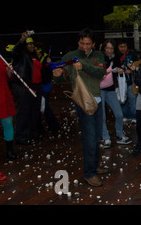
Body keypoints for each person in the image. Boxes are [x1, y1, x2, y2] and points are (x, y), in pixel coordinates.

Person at [52, 28, 107, 187]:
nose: (85, 47)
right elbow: (62, 74)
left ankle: (95, 165)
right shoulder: (70, 57)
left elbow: (101, 72)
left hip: (98, 101)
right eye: (82, 43)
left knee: (97, 137)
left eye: (88, 44)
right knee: (90, 138)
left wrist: (83, 66)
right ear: (78, 43)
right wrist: (57, 75)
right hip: (83, 102)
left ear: (94, 44)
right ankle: (89, 173)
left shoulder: (98, 55)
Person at [10, 31, 43, 145]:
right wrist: (21, 40)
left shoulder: (34, 56)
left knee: (34, 110)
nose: (32, 46)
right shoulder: (21, 55)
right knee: (24, 111)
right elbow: (14, 52)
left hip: (36, 86)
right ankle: (21, 136)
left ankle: (32, 132)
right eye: (29, 44)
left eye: (33, 44)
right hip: (24, 86)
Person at [99, 40, 132, 148]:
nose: (110, 50)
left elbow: (118, 68)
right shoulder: (100, 58)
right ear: (103, 49)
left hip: (111, 89)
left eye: (112, 48)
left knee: (119, 114)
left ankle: (119, 135)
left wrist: (119, 70)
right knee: (102, 115)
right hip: (99, 90)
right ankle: (106, 138)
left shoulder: (115, 58)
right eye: (108, 48)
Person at [35, 42, 59, 135]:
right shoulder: (34, 59)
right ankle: (41, 128)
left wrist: (49, 64)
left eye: (38, 50)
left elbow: (50, 71)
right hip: (37, 85)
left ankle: (53, 126)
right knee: (38, 107)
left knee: (45, 107)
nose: (37, 52)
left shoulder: (46, 58)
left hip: (45, 85)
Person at [117, 40, 139, 122]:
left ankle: (134, 116)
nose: (123, 49)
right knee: (122, 98)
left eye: (124, 46)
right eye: (121, 47)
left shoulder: (132, 54)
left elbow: (137, 65)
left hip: (131, 79)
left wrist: (131, 71)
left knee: (133, 98)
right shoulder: (116, 56)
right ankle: (125, 115)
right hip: (120, 80)